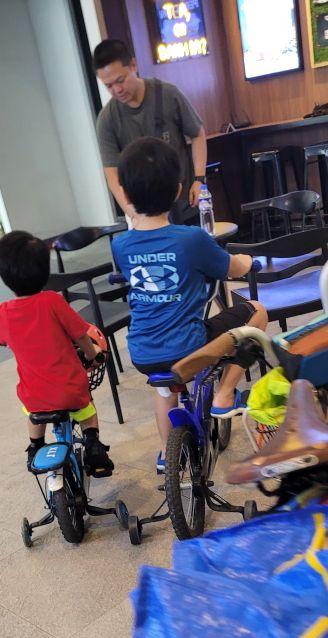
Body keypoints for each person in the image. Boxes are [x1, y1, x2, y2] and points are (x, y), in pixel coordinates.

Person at [112, 137, 268, 472]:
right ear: (178, 190)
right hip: (189, 345)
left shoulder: (120, 245)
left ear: (123, 193)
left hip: (142, 352)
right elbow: (231, 267)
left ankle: (166, 453)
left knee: (164, 389)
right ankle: (226, 393)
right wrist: (247, 260)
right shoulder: (193, 239)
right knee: (256, 311)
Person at [0, 231, 114, 476]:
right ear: (45, 272)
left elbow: (3, 338)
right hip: (69, 389)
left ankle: (35, 446)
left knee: (33, 415)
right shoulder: (53, 302)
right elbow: (80, 335)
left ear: (4, 277)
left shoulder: (4, 311)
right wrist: (93, 355)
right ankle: (93, 446)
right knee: (87, 409)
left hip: (34, 394)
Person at [93, 39, 207, 225]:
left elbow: (197, 133)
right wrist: (132, 213)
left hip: (185, 202)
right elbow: (111, 171)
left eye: (121, 80)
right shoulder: (107, 119)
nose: (117, 90)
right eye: (109, 86)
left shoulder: (168, 94)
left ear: (133, 65)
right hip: (146, 216)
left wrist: (199, 179)